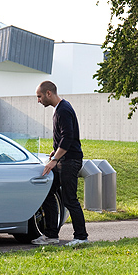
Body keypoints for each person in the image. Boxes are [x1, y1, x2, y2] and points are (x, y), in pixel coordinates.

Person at [32, 81, 89, 246]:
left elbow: (68, 137)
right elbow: (62, 138)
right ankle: (51, 235)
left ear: (48, 93)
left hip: (69, 161)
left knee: (70, 199)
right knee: (48, 193)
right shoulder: (61, 108)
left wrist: (54, 160)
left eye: (39, 96)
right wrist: (55, 152)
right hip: (62, 159)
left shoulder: (63, 109)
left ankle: (81, 237)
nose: (38, 100)